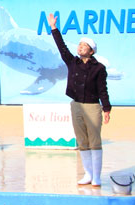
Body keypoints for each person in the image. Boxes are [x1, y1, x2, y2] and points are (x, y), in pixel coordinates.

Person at [46, 13, 111, 187]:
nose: (81, 47)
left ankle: (96, 176)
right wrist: (54, 28)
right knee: (82, 140)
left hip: (92, 107)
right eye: (80, 44)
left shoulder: (99, 68)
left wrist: (106, 109)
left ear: (91, 51)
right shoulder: (72, 62)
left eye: (85, 45)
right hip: (76, 105)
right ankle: (88, 174)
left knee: (94, 140)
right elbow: (62, 48)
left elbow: (102, 90)